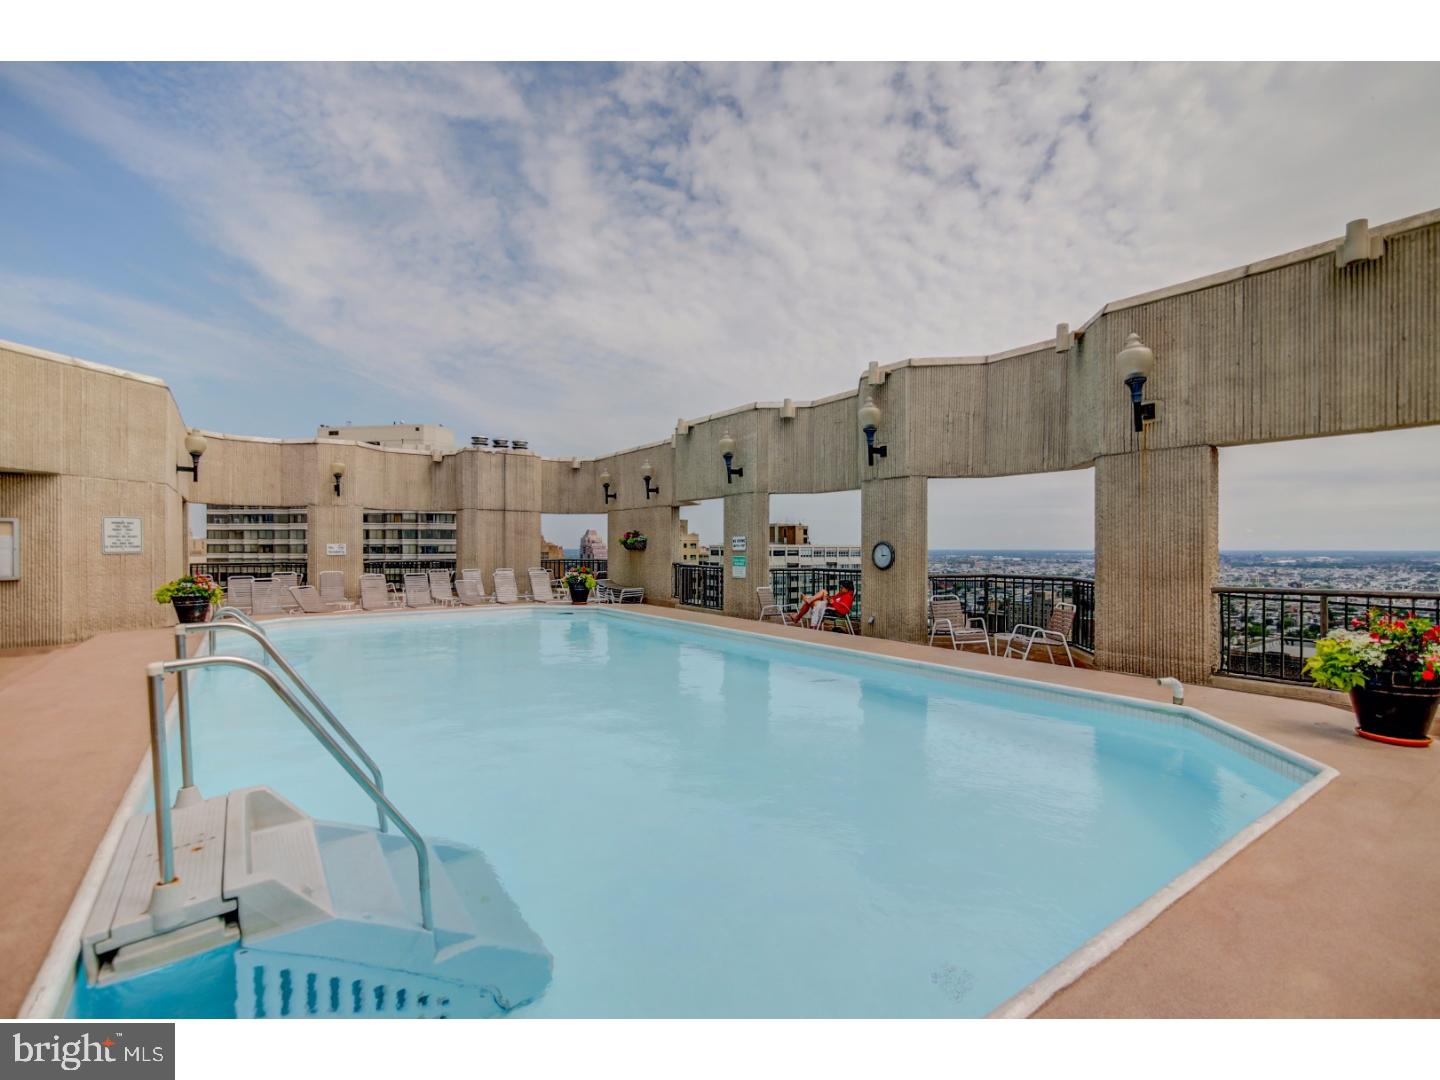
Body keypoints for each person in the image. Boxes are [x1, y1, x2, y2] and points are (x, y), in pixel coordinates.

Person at [791, 580, 855, 629]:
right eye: (840, 587)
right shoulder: (842, 594)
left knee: (813, 600)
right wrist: (829, 598)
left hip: (832, 610)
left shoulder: (848, 597)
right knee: (817, 597)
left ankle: (798, 617)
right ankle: (800, 615)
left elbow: (844, 609)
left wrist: (832, 602)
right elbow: (835, 598)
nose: (840, 589)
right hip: (828, 605)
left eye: (842, 588)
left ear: (847, 589)